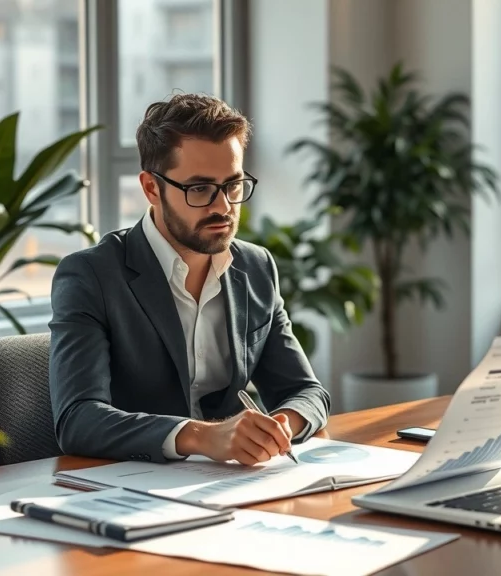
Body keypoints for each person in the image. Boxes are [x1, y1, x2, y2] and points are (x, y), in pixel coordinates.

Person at [48, 94, 331, 466]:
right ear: (151, 188)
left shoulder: (256, 267)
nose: (223, 207)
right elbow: (77, 419)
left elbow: (307, 392)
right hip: (130, 489)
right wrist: (201, 436)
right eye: (199, 189)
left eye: (233, 185)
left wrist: (278, 426)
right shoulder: (92, 276)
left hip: (234, 485)